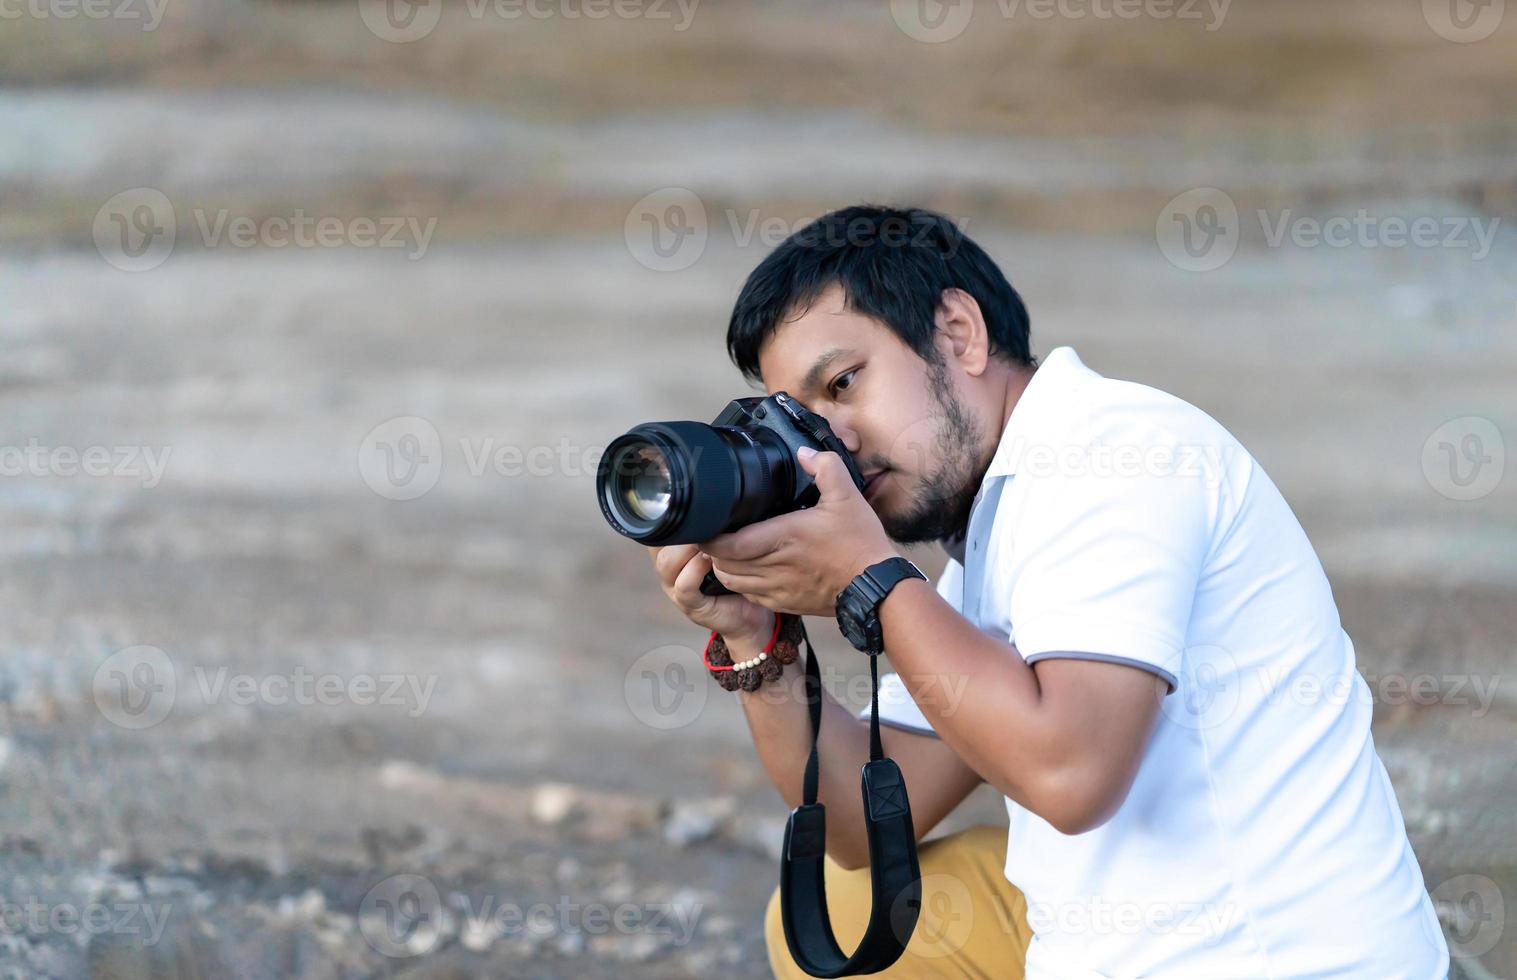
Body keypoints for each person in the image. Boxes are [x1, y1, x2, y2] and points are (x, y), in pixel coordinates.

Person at [647, 205, 1449, 979]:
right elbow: (857, 826)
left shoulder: (1116, 454)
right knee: (842, 902)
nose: (833, 443)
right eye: (802, 418)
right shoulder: (995, 524)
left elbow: (1071, 776)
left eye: (845, 383)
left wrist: (868, 577)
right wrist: (761, 642)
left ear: (956, 333)